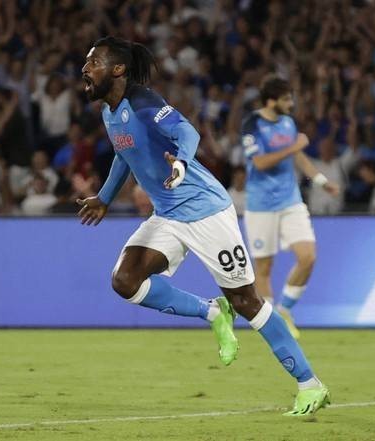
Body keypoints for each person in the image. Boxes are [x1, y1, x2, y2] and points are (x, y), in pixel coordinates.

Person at [77, 36, 330, 416]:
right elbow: (123, 154)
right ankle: (211, 312)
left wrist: (179, 163)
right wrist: (105, 197)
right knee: (125, 280)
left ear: (118, 69)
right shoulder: (110, 113)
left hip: (205, 210)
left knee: (246, 301)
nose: (85, 68)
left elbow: (188, 133)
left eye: (93, 61)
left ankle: (310, 385)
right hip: (168, 214)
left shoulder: (143, 102)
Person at [242, 75, 340, 339]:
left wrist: (321, 181)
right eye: (286, 99)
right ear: (271, 101)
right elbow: (260, 163)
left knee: (308, 257)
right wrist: (293, 147)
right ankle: (273, 323)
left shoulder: (287, 123)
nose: (291, 103)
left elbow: (297, 155)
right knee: (264, 269)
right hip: (261, 205)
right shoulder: (252, 124)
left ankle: (285, 308)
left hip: (290, 202)